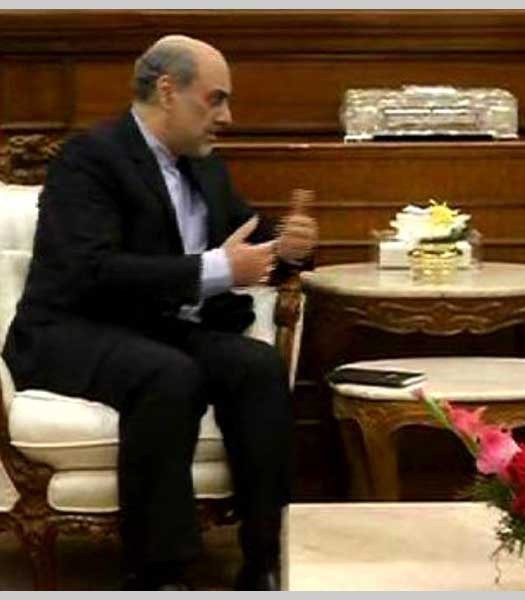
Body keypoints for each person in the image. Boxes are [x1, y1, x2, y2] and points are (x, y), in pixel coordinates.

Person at [2, 35, 318, 590]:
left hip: (157, 328)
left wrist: (290, 248)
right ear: (168, 91)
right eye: (215, 99)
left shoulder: (206, 167)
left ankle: (265, 560)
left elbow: (248, 239)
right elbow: (93, 270)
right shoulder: (90, 157)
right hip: (71, 328)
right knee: (168, 375)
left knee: (257, 366)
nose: (227, 116)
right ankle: (157, 573)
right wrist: (218, 269)